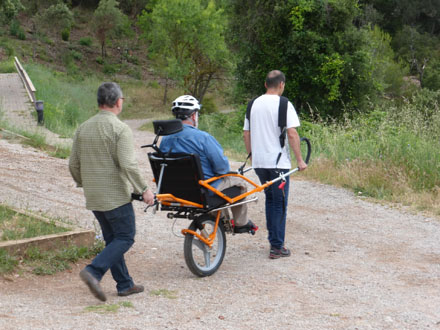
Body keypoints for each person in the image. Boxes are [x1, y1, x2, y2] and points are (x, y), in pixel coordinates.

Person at [69, 82, 155, 301]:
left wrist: (84, 182)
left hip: (94, 196)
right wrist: (144, 190)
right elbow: (128, 165)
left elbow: (73, 165)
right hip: (115, 197)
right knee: (125, 237)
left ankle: (125, 284)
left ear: (99, 101)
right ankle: (94, 271)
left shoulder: (83, 127)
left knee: (113, 240)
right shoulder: (119, 128)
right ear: (118, 102)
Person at [159, 95, 256, 234]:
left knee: (219, 185)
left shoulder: (165, 139)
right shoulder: (203, 138)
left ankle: (221, 219)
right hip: (202, 191)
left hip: (175, 193)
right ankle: (240, 223)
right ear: (193, 115)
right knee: (239, 183)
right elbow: (222, 168)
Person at [243, 70, 307, 259]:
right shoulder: (284, 104)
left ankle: (274, 241)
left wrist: (252, 156)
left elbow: (246, 133)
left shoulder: (252, 104)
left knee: (271, 200)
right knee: (279, 203)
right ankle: (277, 247)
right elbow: (292, 133)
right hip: (278, 163)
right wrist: (300, 160)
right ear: (281, 84)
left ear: (265, 84)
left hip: (260, 163)